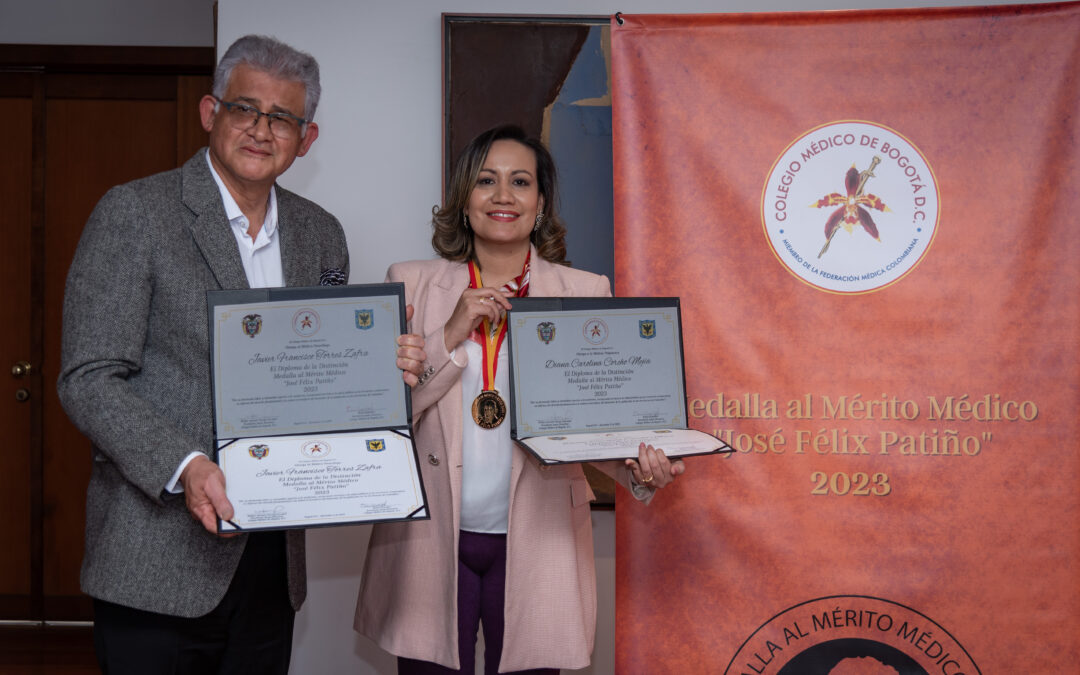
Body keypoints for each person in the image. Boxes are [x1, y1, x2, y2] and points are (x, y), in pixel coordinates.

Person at [57, 34, 425, 674]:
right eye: (244, 109)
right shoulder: (135, 214)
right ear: (210, 113)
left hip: (271, 566)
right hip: (158, 556)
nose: (262, 130)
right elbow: (89, 378)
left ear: (306, 139)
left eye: (283, 117)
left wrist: (382, 366)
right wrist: (187, 465)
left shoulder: (321, 234)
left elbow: (323, 374)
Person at [354, 125, 685, 674]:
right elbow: (383, 416)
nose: (503, 195)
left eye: (520, 181)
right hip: (429, 540)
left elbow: (590, 425)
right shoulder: (410, 284)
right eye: (486, 180)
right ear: (464, 200)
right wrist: (451, 333)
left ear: (540, 204)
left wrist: (641, 469)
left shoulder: (585, 292)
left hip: (541, 536)